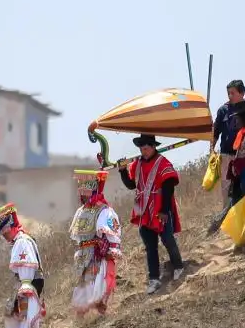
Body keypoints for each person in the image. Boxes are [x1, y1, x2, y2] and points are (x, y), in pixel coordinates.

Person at [116, 134, 184, 295]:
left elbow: (169, 187)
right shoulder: (137, 164)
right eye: (141, 148)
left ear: (153, 146)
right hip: (144, 210)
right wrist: (122, 171)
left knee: (167, 239)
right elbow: (132, 185)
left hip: (160, 207)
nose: (143, 151)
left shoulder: (163, 163)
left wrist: (163, 210)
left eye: (145, 148)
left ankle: (179, 266)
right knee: (150, 246)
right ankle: (154, 279)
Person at [0, 203, 45, 328]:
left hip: (29, 280)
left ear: (11, 227)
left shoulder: (22, 242)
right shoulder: (20, 241)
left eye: (5, 233)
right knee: (23, 310)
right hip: (29, 281)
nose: (4, 237)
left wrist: (25, 283)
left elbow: (28, 264)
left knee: (27, 310)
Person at [68, 169, 123, 317]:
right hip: (83, 255)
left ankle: (102, 315)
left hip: (97, 254)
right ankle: (80, 320)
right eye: (81, 189)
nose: (81, 193)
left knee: (97, 287)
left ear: (92, 190)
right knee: (83, 285)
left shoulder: (104, 210)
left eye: (85, 190)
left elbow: (111, 232)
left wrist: (111, 249)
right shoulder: (81, 210)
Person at [206, 81, 245, 233]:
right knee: (226, 188)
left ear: (241, 93)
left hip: (244, 156)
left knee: (244, 186)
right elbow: (215, 132)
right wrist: (212, 150)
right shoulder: (223, 110)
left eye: (233, 93)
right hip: (226, 156)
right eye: (228, 93)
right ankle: (227, 218)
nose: (230, 96)